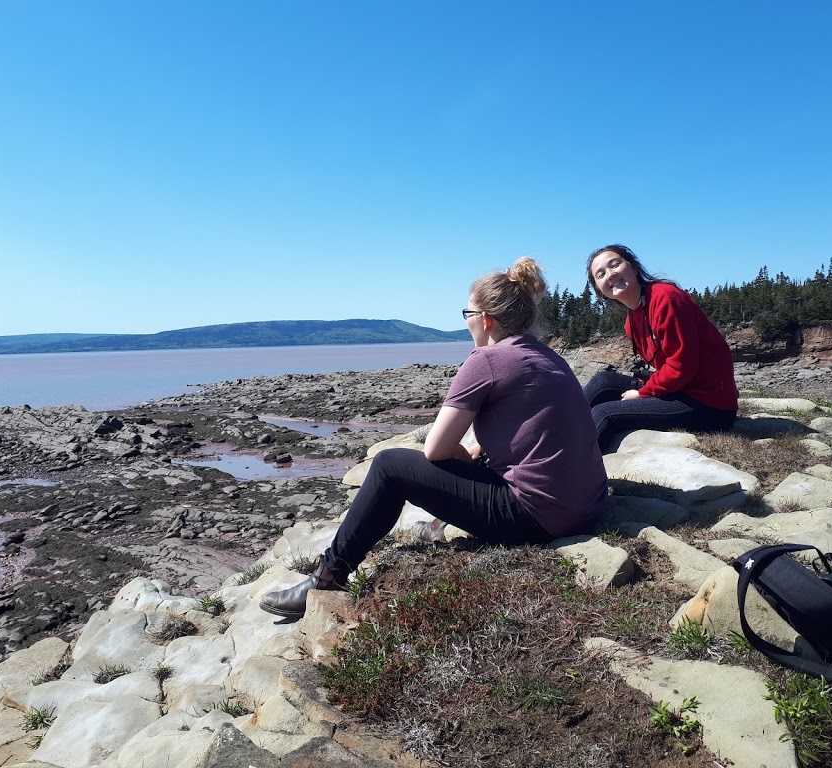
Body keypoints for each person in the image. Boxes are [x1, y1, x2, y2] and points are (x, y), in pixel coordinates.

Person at [260, 257, 609, 620]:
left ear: (485, 319)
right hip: (587, 508)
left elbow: (436, 449)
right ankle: (435, 527)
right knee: (472, 456)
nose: (466, 322)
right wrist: (475, 450)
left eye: (467, 313)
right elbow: (533, 432)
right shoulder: (548, 356)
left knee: (388, 466)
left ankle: (328, 576)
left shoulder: (487, 359)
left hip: (538, 516)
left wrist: (462, 453)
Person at [583, 243, 738, 450]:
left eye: (615, 265)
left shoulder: (666, 298)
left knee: (604, 413)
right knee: (603, 381)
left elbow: (682, 366)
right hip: (681, 389)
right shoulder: (631, 322)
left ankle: (571, 476)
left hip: (708, 403)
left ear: (634, 268)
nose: (610, 274)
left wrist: (642, 393)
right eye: (600, 274)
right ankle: (553, 435)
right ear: (600, 291)